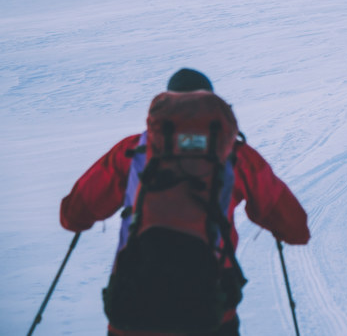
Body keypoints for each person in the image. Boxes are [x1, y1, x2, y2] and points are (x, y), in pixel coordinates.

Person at [60, 68, 310, 336]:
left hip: (132, 306)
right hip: (210, 310)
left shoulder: (132, 151)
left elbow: (73, 214)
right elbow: (295, 229)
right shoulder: (235, 155)